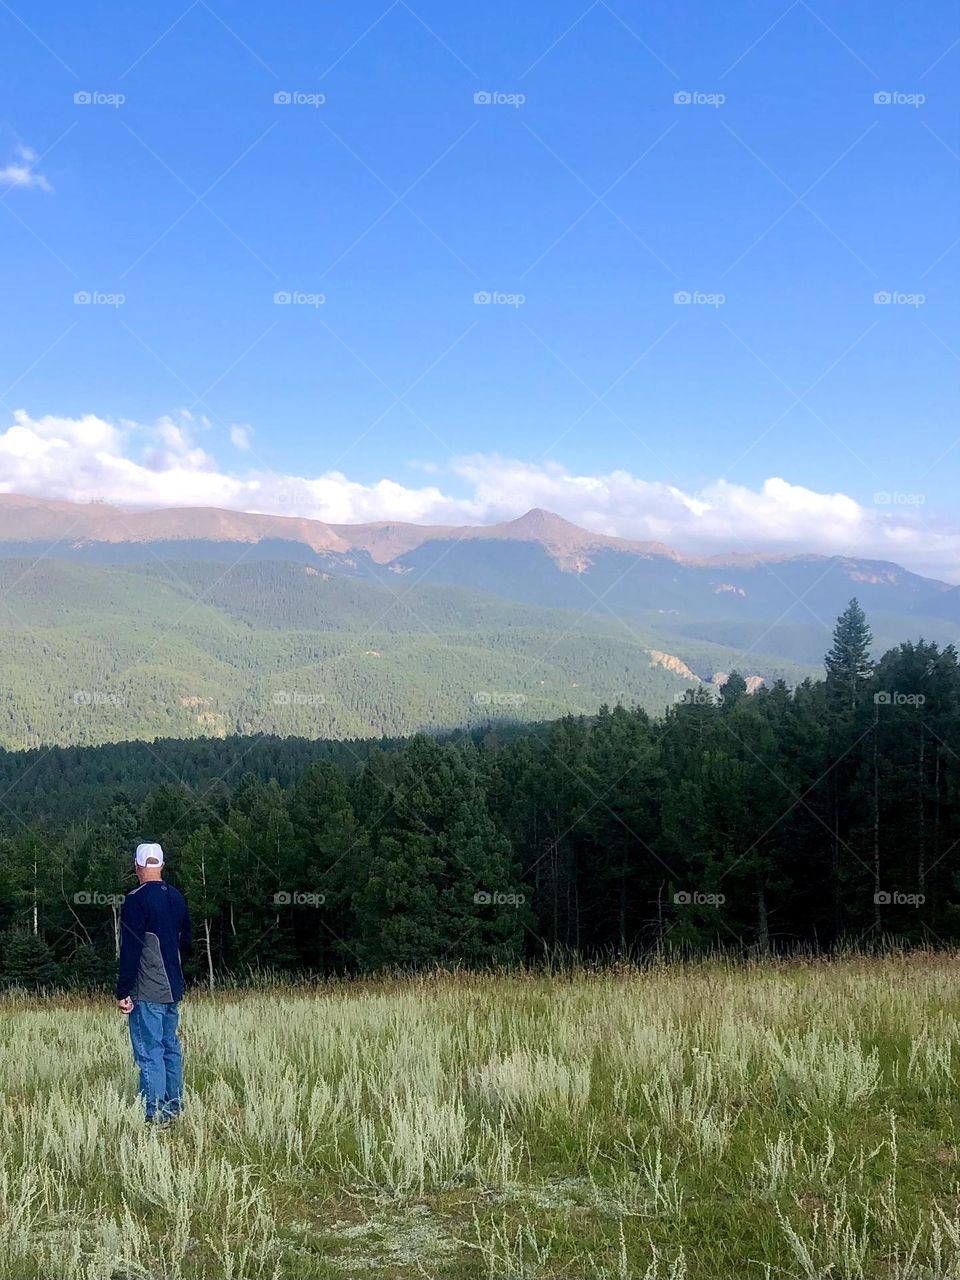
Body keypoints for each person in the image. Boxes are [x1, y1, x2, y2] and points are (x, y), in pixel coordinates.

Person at [115, 842, 192, 1125]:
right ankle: (174, 1107)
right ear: (161, 865)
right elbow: (187, 943)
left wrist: (123, 990)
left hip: (147, 988)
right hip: (173, 985)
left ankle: (154, 1115)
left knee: (150, 1053)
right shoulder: (177, 897)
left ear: (137, 867)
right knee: (170, 1047)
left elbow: (131, 950)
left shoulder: (136, 900)